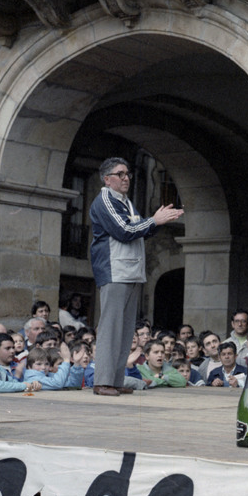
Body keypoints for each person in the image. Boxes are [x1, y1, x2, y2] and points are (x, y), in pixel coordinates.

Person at [89, 156, 184, 397]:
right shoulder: (105, 200)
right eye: (120, 174)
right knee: (111, 329)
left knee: (125, 332)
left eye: (127, 173)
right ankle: (102, 381)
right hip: (114, 270)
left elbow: (140, 229)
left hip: (130, 271)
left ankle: (115, 380)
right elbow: (124, 231)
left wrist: (156, 222)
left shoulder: (125, 202)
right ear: (107, 179)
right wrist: (153, 220)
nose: (126, 178)